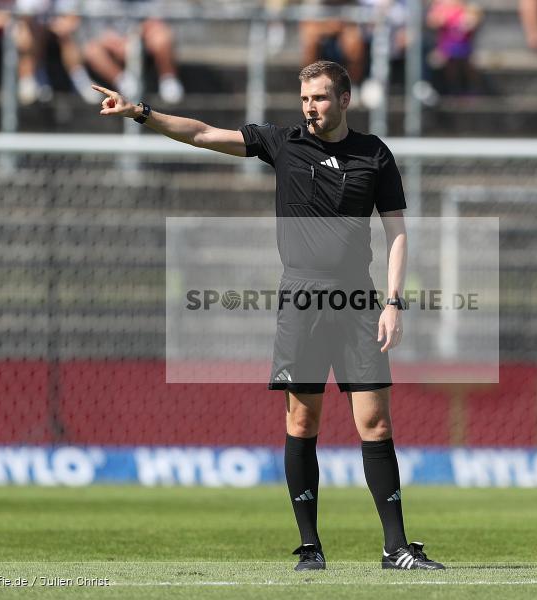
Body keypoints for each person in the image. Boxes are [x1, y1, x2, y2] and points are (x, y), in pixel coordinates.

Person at [92, 60, 445, 571]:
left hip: (357, 304)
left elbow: (397, 233)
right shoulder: (283, 143)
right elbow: (203, 134)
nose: (310, 107)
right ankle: (311, 548)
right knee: (303, 420)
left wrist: (393, 302)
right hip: (302, 301)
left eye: (320, 98)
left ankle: (396, 549)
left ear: (344, 100)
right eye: (304, 98)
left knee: (376, 422)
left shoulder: (375, 154)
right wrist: (141, 113)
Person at [83, 0, 184, 104]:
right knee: (92, 50)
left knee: (162, 38)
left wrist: (136, 35)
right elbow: (97, 31)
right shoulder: (99, 3)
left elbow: (157, 22)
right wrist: (115, 42)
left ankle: (168, 80)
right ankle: (124, 83)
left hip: (144, 43)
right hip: (114, 47)